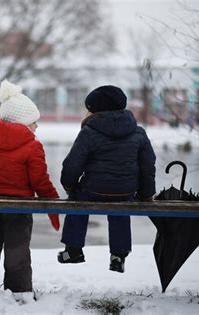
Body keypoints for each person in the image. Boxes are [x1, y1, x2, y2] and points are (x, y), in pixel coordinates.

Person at [0, 79, 60, 293]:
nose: (37, 126)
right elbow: (39, 181)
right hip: (19, 207)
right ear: (23, 123)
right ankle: (18, 291)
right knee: (17, 249)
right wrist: (52, 205)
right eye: (33, 121)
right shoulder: (33, 146)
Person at [58, 85, 156, 273]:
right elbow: (148, 166)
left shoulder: (89, 132)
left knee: (77, 200)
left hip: (92, 189)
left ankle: (74, 250)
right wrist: (145, 194)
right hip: (126, 190)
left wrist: (70, 186)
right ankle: (118, 255)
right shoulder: (138, 132)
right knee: (121, 202)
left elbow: (72, 165)